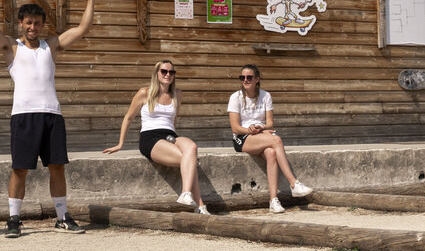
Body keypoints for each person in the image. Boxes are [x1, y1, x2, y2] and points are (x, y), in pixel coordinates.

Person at [0, 0, 96, 237]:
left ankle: (62, 217)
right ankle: (13, 219)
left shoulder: (50, 46)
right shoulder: (11, 47)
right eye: (28, 22)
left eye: (37, 23)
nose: (33, 27)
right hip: (23, 115)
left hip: (52, 114)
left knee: (57, 166)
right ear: (21, 23)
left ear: (42, 25)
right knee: (20, 168)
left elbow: (83, 28)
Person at [103, 60, 210, 214]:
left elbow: (173, 120)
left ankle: (186, 194)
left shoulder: (177, 94)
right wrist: (120, 144)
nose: (168, 74)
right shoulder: (144, 93)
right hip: (150, 137)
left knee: (191, 148)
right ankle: (200, 206)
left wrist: (175, 141)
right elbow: (128, 118)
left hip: (170, 134)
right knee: (188, 160)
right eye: (164, 71)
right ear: (157, 74)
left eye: (171, 72)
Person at [227, 64, 313, 213]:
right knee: (276, 140)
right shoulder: (235, 97)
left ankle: (273, 200)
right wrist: (250, 130)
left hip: (260, 135)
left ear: (257, 79)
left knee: (271, 153)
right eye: (242, 77)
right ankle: (294, 183)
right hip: (242, 137)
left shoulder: (265, 95)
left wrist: (261, 129)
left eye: (249, 77)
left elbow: (270, 123)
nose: (245, 80)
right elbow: (235, 127)